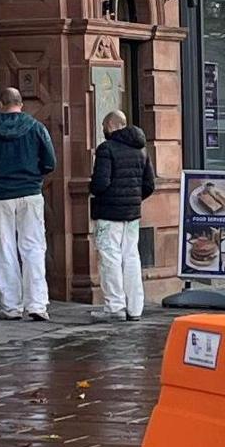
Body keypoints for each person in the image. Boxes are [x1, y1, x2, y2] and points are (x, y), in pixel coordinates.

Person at [0, 87, 57, 320]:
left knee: (5, 248)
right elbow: (50, 162)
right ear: (21, 105)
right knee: (34, 248)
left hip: (1, 195)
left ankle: (10, 306)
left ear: (0, 104)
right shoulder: (36, 127)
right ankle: (37, 304)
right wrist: (34, 178)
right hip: (30, 193)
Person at [86, 110, 156, 322]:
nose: (102, 130)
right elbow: (149, 185)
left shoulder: (106, 149)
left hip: (109, 213)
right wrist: (133, 199)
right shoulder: (141, 150)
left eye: (103, 126)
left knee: (110, 258)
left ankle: (115, 306)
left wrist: (94, 190)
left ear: (110, 125)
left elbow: (100, 183)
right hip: (132, 213)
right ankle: (135, 307)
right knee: (131, 257)